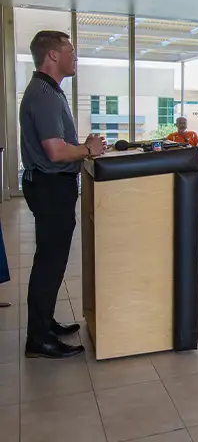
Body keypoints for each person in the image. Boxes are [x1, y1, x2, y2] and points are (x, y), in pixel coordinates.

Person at [20, 30, 105, 358]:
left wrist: (81, 146)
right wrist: (87, 148)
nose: (75, 57)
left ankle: (44, 323)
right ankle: (38, 339)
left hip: (53, 185)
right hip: (50, 186)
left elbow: (57, 144)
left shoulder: (49, 90)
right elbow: (55, 152)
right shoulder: (43, 94)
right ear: (52, 55)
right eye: (70, 50)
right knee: (49, 262)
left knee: (51, 261)